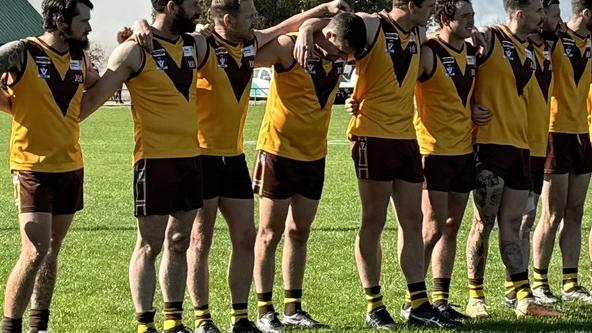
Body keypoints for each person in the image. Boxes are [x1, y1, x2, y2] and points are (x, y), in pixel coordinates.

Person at [130, 1, 351, 332]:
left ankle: (240, 318)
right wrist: (139, 25)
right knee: (198, 241)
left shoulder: (249, 44)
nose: (256, 20)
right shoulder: (201, 43)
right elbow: (162, 38)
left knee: (246, 237)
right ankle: (202, 317)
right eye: (249, 15)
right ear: (229, 20)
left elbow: (287, 24)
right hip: (201, 154)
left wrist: (320, 13)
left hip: (233, 158)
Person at [300, 0, 465, 329]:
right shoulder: (371, 24)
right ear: (407, 3)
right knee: (374, 220)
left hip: (407, 138)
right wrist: (307, 28)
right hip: (371, 137)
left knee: (413, 221)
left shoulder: (418, 31)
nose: (431, 10)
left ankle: (417, 303)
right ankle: (374, 304)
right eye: (428, 4)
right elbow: (331, 24)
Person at [80, 0, 208, 332]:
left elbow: (254, 35)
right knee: (150, 244)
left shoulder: (195, 43)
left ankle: (173, 321)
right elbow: (91, 101)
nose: (199, 10)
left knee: (180, 240)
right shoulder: (133, 51)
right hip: (153, 161)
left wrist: (308, 24)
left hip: (191, 159)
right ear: (172, 5)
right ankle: (144, 324)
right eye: (193, 4)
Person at [251, 12, 366, 333]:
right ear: (329, 37)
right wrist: (303, 28)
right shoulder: (288, 48)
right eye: (341, 52)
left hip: (315, 156)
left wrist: (310, 26)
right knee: (269, 234)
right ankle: (264, 310)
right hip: (277, 153)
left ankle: (293, 308)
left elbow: (338, 11)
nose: (344, 59)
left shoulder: (333, 46)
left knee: (299, 232)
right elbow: (247, 54)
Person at [0, 0, 96, 332]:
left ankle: (38, 325)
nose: (89, 28)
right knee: (34, 251)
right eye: (83, 20)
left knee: (51, 251)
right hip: (31, 168)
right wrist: (10, 104)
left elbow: (98, 84)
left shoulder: (80, 59)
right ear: (59, 20)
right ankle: (9, 326)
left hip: (70, 166)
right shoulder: (22, 51)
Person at [464, 0, 560, 319]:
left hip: (520, 147)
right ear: (519, 13)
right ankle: (475, 297)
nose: (542, 16)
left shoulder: (527, 47)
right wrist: (468, 108)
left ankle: (522, 299)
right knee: (483, 223)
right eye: (537, 10)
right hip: (490, 146)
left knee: (512, 224)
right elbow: (459, 61)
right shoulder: (490, 38)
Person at [414, 0, 490, 321]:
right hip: (432, 151)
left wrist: (473, 109)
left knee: (451, 226)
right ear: (445, 18)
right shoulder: (428, 52)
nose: (472, 20)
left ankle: (440, 299)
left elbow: (464, 93)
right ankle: (413, 300)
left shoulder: (471, 52)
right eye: (466, 16)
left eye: (473, 14)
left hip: (462, 151)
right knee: (431, 229)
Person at [531, 0, 592, 303]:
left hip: (582, 135)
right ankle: (540, 282)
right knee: (552, 214)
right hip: (555, 132)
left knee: (576, 211)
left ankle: (571, 282)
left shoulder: (590, 43)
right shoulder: (555, 38)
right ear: (586, 14)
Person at [503, 0, 561, 307]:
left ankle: (520, 288)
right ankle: (494, 291)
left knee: (527, 218)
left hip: (538, 147)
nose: (554, 19)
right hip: (512, 145)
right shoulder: (504, 44)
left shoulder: (551, 47)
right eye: (551, 13)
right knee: (504, 221)